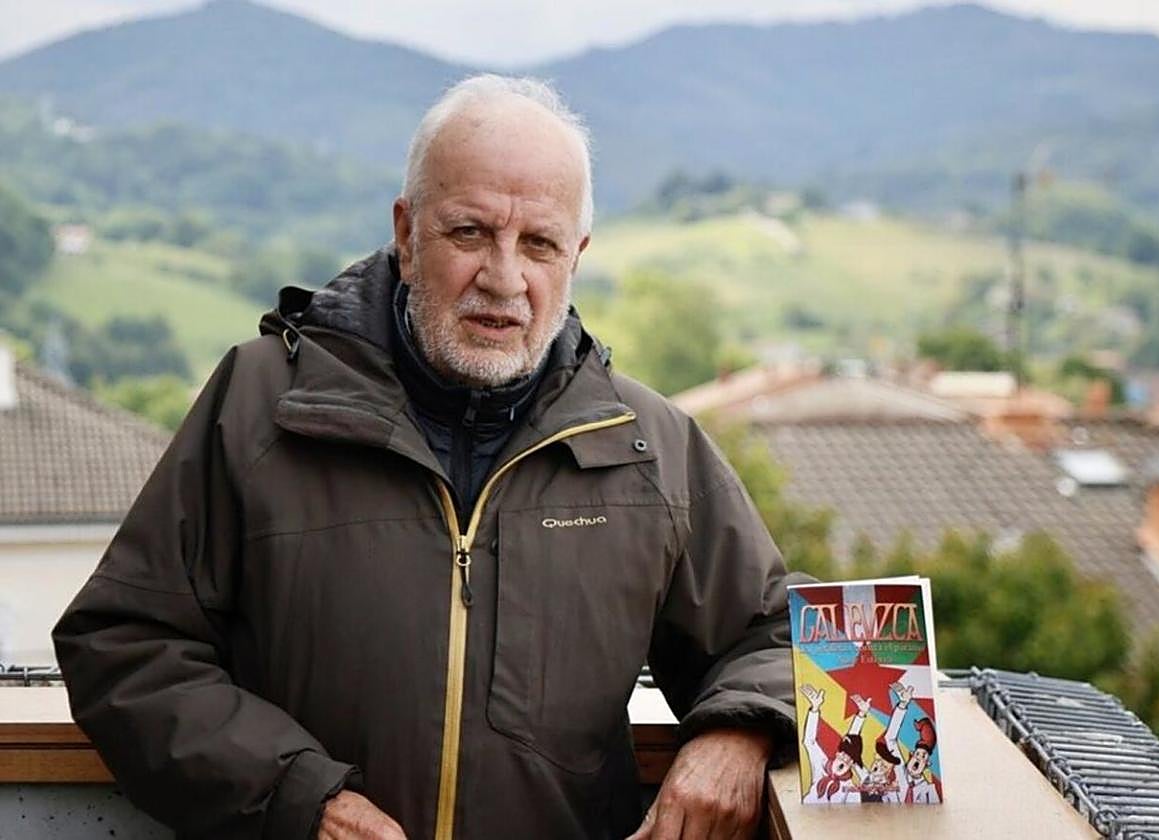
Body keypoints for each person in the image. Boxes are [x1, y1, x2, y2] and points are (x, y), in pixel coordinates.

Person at [53, 74, 807, 840]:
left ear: (575, 256)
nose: (504, 278)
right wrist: (299, 801)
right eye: (470, 233)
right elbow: (122, 646)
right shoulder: (259, 404)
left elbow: (783, 634)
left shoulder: (649, 449)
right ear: (407, 235)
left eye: (539, 244)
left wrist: (737, 735)